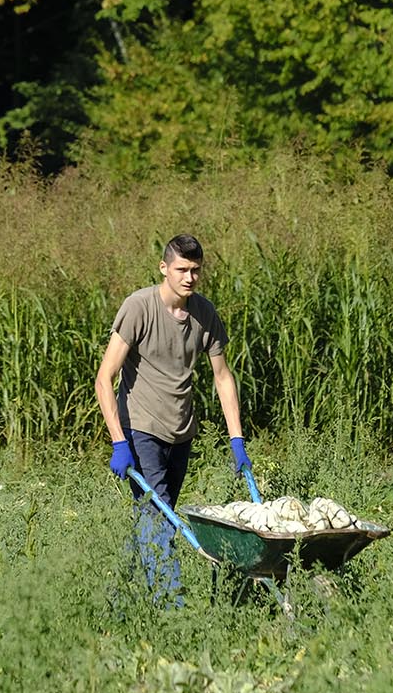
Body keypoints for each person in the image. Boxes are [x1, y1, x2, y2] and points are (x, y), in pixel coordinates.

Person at [94, 234, 249, 603]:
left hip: (181, 433)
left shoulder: (204, 313)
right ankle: (172, 607)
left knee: (155, 518)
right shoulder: (139, 307)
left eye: (196, 270)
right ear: (164, 268)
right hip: (141, 429)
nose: (189, 277)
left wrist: (237, 440)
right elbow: (104, 378)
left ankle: (121, 601)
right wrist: (119, 442)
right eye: (181, 269)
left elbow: (223, 377)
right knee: (158, 517)